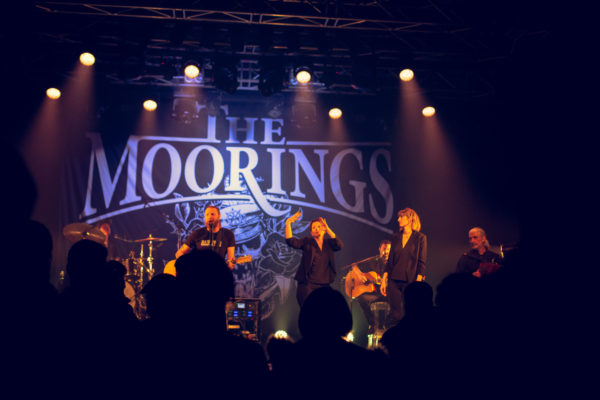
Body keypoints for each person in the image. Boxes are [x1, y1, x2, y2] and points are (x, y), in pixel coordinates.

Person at [285, 210, 343, 306]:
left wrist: (328, 229)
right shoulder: (307, 241)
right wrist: (288, 223)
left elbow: (339, 245)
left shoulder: (329, 244)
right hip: (308, 285)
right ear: (311, 232)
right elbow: (290, 241)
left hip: (324, 286)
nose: (316, 229)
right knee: (309, 312)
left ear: (323, 229)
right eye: (314, 227)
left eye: (319, 227)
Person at [381, 208, 427, 324]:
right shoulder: (395, 237)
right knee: (395, 315)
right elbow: (390, 261)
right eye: (399, 217)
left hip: (411, 281)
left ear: (410, 218)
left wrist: (418, 282)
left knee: (411, 313)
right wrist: (384, 280)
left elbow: (421, 262)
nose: (398, 219)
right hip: (394, 280)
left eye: (401, 217)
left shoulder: (420, 238)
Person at [347, 240, 391, 332]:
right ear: (379, 249)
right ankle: (372, 324)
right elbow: (354, 265)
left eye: (388, 249)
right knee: (361, 298)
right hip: (374, 294)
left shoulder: (393, 264)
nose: (386, 252)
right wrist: (359, 275)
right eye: (384, 249)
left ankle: (387, 327)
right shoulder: (373, 261)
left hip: (387, 294)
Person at [175, 205, 236, 270]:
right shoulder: (197, 233)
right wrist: (189, 264)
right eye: (207, 215)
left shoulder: (228, 234)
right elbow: (179, 253)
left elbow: (231, 259)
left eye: (212, 214)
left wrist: (230, 265)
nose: (210, 217)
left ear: (219, 216)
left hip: (218, 272)